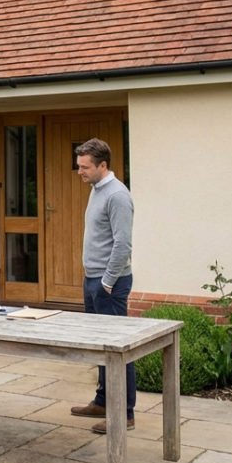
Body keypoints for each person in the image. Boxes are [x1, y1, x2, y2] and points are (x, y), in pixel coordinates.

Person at [69, 138, 137, 434]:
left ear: (103, 165)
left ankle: (125, 413)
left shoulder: (118, 195)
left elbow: (123, 244)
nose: (79, 172)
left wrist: (107, 282)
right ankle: (102, 401)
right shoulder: (96, 190)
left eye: (84, 167)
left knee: (117, 349)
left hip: (110, 283)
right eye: (79, 166)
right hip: (93, 278)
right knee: (99, 346)